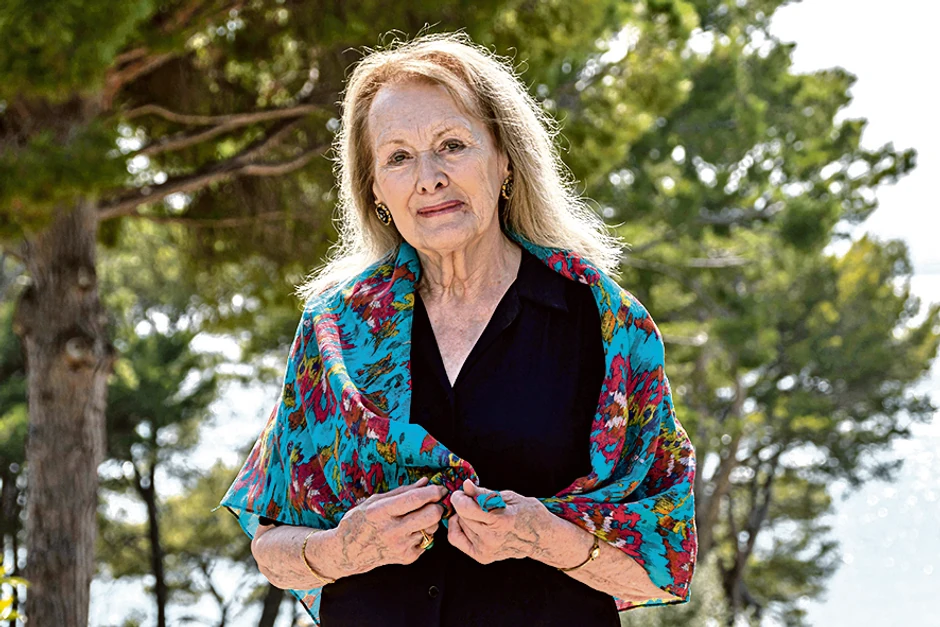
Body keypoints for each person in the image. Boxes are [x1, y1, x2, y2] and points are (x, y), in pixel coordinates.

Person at [218, 32, 697, 626]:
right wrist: (343, 549)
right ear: (376, 190)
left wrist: (546, 538)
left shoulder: (607, 325)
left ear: (504, 160)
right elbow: (272, 547)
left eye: (451, 145)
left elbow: (664, 564)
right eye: (398, 158)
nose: (429, 178)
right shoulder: (333, 331)